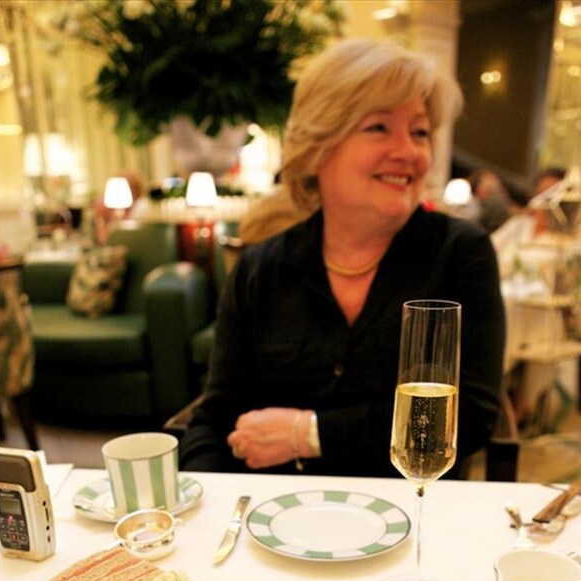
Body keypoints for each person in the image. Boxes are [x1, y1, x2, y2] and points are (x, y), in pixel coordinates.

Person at [179, 38, 505, 478]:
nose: (408, 152)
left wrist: (308, 433)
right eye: (379, 127)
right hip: (281, 512)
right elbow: (216, 418)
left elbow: (471, 417)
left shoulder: (461, 254)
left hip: (409, 507)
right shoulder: (261, 268)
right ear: (318, 146)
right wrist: (207, 500)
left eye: (420, 132)